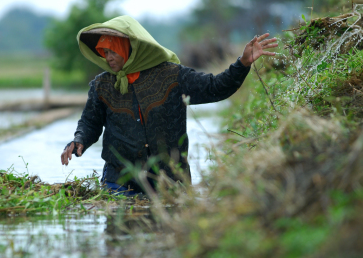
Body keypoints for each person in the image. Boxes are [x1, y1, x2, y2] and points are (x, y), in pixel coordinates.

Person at [61, 15, 277, 195]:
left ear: (129, 48)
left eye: (112, 51)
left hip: (170, 181)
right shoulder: (102, 85)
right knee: (119, 240)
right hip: (119, 181)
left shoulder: (172, 75)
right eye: (105, 52)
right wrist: (79, 140)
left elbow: (215, 87)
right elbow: (90, 121)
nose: (108, 58)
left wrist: (242, 63)